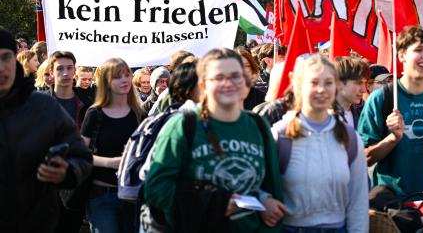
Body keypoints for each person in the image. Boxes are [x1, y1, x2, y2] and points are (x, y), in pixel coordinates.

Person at [144, 48, 286, 232]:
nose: (229, 83)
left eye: (236, 76)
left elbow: (272, 189)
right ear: (203, 85)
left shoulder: (258, 125)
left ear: (246, 81)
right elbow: (156, 189)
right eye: (219, 77)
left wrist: (266, 202)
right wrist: (213, 203)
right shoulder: (183, 125)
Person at [0, 26, 92, 232]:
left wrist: (66, 171)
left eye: (6, 57)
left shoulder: (43, 106)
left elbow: (81, 157)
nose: (1, 67)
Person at [272, 54, 369, 233]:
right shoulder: (280, 135)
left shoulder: (350, 137)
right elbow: (261, 190)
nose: (321, 90)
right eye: (314, 82)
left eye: (328, 83)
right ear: (298, 85)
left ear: (336, 86)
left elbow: (358, 200)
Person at [358, 25, 423, 197]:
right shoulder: (381, 99)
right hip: (395, 210)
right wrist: (393, 138)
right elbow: (363, 158)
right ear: (401, 55)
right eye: (419, 50)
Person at [81, 58, 143, 233]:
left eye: (127, 75)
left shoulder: (138, 114)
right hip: (102, 194)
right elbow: (81, 153)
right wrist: (111, 162)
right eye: (117, 76)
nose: (124, 80)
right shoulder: (95, 114)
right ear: (106, 81)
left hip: (132, 193)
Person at [334, 56, 369, 128]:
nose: (364, 90)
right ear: (339, 83)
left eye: (365, 83)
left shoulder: (365, 113)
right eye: (358, 83)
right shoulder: (323, 116)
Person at [238, 47, 268, 111]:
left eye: (247, 65)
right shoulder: (222, 97)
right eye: (238, 65)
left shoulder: (261, 98)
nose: (243, 69)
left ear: (252, 69)